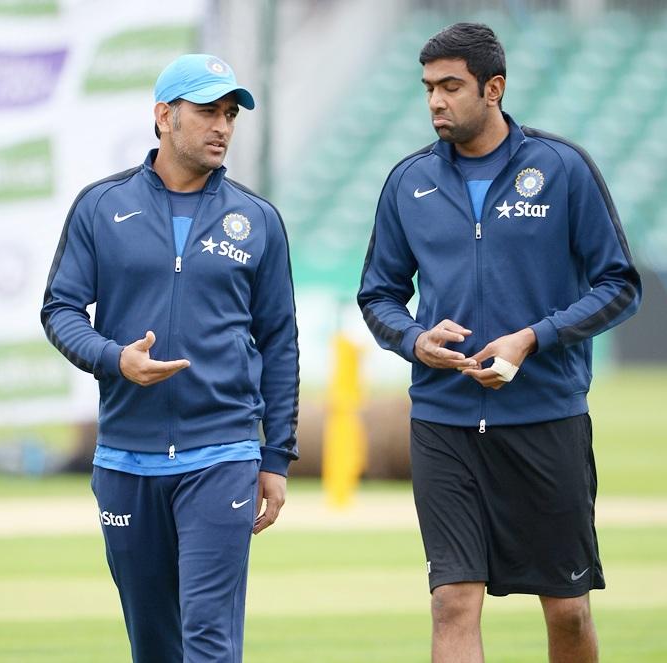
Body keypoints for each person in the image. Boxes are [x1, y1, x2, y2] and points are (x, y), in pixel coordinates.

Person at [357, 22, 641, 663]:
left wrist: (531, 340)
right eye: (428, 87)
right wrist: (414, 340)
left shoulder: (562, 168)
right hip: (442, 422)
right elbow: (377, 295)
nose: (435, 101)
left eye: (450, 86)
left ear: (494, 88)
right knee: (452, 601)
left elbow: (619, 285)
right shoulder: (408, 182)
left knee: (567, 611)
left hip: (545, 418)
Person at [41, 53, 299, 663]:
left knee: (208, 639)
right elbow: (60, 310)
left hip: (223, 453)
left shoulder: (258, 219)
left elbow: (280, 343)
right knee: (154, 645)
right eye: (207, 110)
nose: (222, 126)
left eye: (230, 114)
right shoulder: (101, 207)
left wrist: (277, 455)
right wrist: (114, 359)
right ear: (164, 116)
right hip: (127, 459)